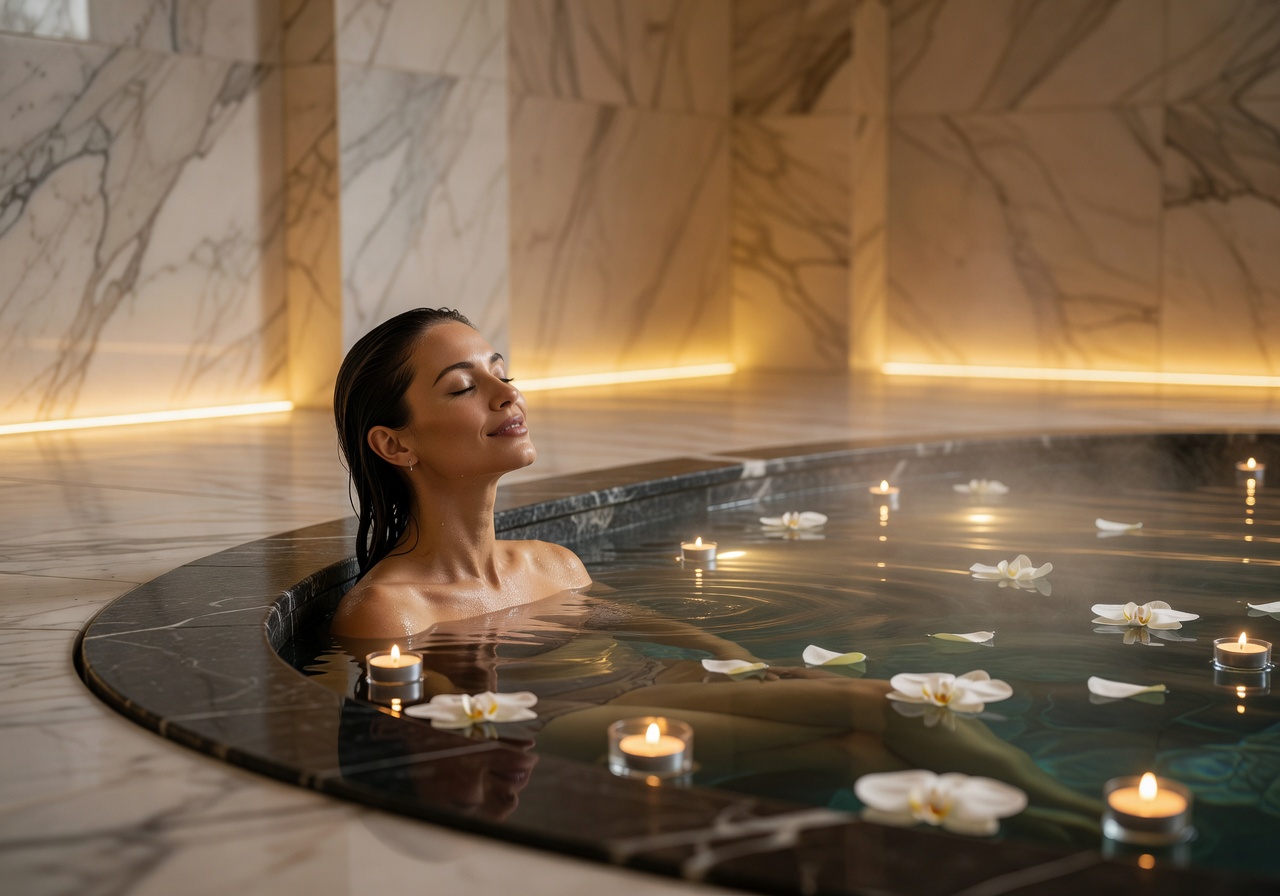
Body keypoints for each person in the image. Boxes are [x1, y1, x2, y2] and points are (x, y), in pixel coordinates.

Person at [330, 308, 591, 639]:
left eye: (502, 375)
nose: (509, 394)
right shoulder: (388, 613)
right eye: (463, 387)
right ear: (394, 445)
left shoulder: (558, 568)